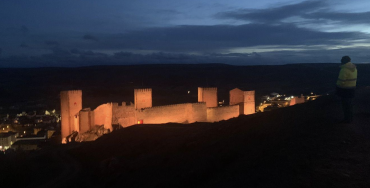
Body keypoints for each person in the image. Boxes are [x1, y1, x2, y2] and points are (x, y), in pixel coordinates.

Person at [336, 56, 357, 123]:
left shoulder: (344, 69)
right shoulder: (354, 68)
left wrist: (337, 86)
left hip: (345, 90)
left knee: (345, 105)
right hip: (352, 89)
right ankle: (350, 118)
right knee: (350, 104)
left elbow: (341, 82)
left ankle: (347, 119)